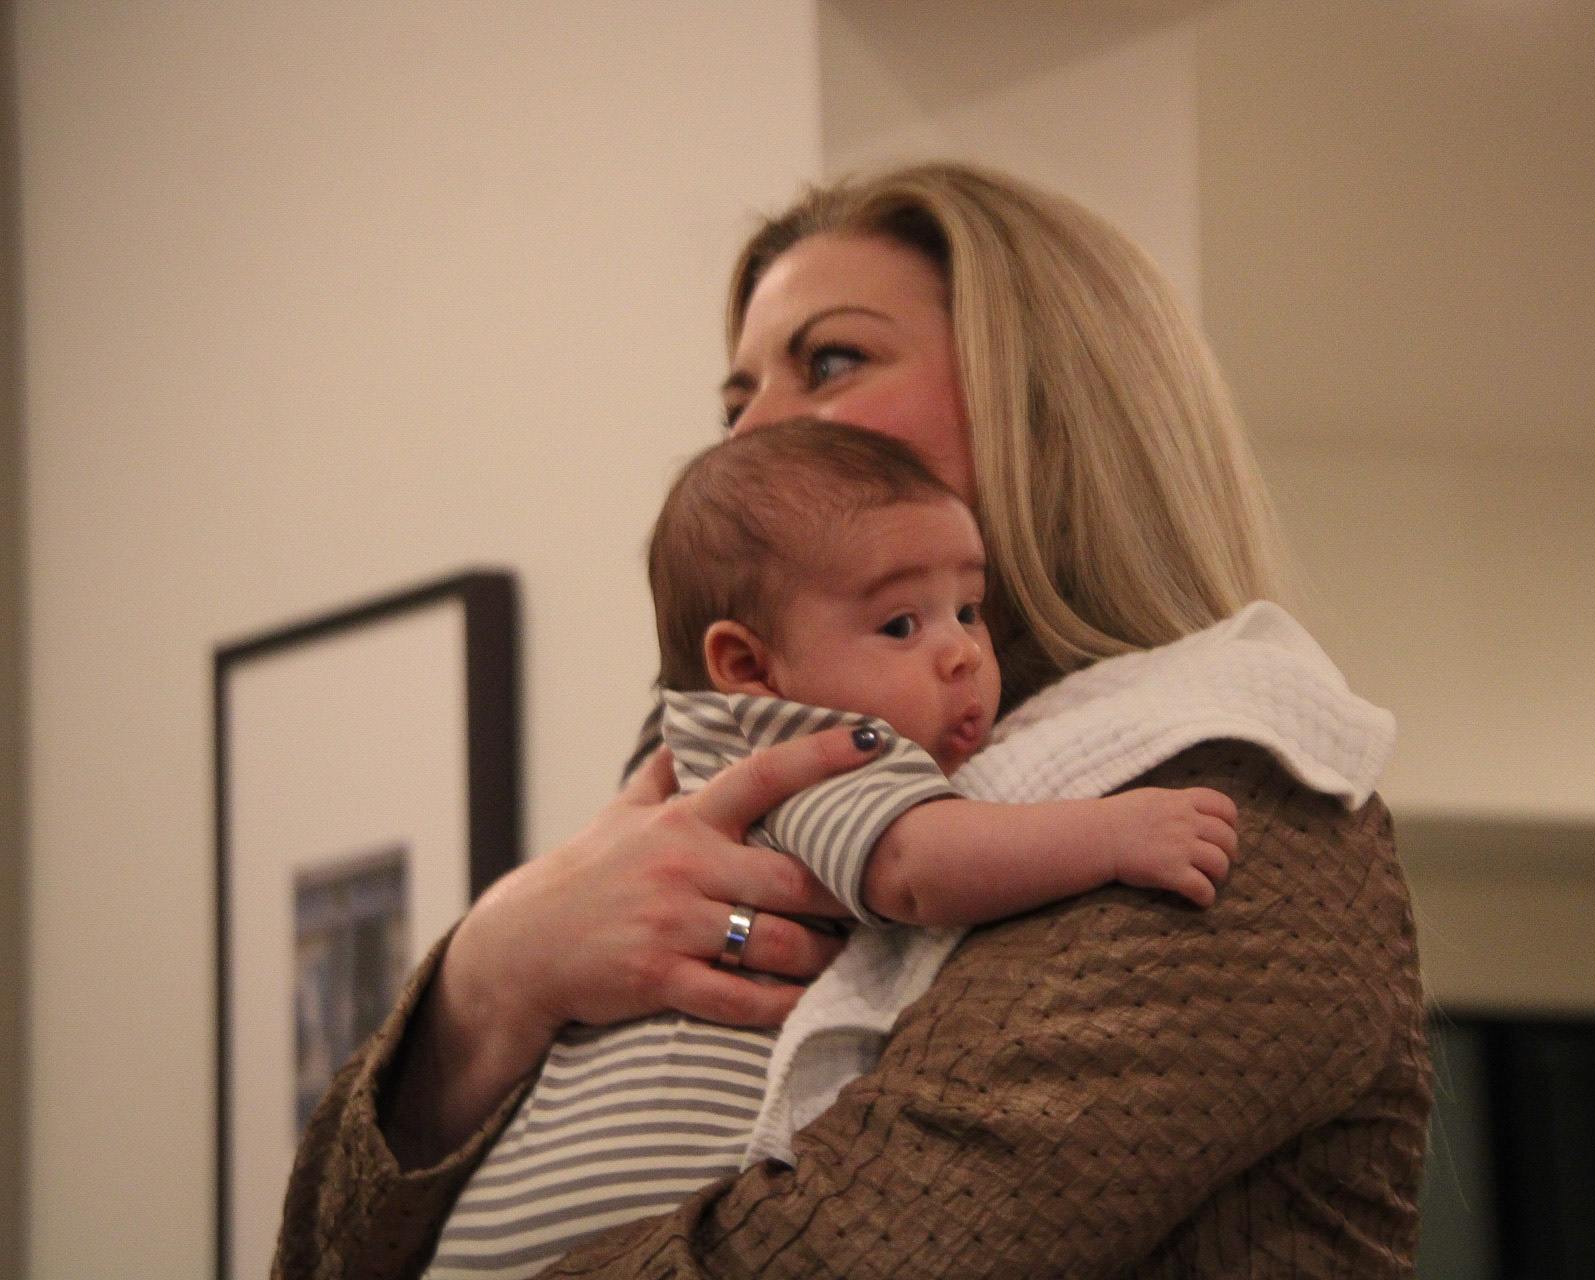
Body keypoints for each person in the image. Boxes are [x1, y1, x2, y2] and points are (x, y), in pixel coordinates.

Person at [275, 162, 1431, 1280]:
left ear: (1047, 412)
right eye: (734, 400)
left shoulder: (1234, 787)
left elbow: (857, 1246)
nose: (748, 436)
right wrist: (491, 974)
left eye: (830, 361)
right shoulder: (717, 762)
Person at [425, 419, 1239, 1279]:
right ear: (749, 666)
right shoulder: (801, 750)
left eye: (969, 610)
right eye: (900, 624)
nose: (962, 653)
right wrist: (1113, 833)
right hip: (610, 1221)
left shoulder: (707, 763)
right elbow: (919, 867)